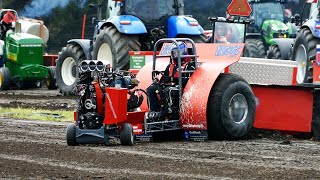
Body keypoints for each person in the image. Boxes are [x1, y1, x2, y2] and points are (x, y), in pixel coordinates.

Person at [146, 41, 195, 119]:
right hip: (169, 86)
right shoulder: (170, 66)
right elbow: (164, 79)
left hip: (182, 89)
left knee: (168, 90)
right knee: (151, 88)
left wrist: (173, 79)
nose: (174, 55)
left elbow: (190, 81)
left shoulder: (190, 65)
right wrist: (158, 81)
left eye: (176, 53)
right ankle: (154, 111)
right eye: (173, 53)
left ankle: (168, 112)